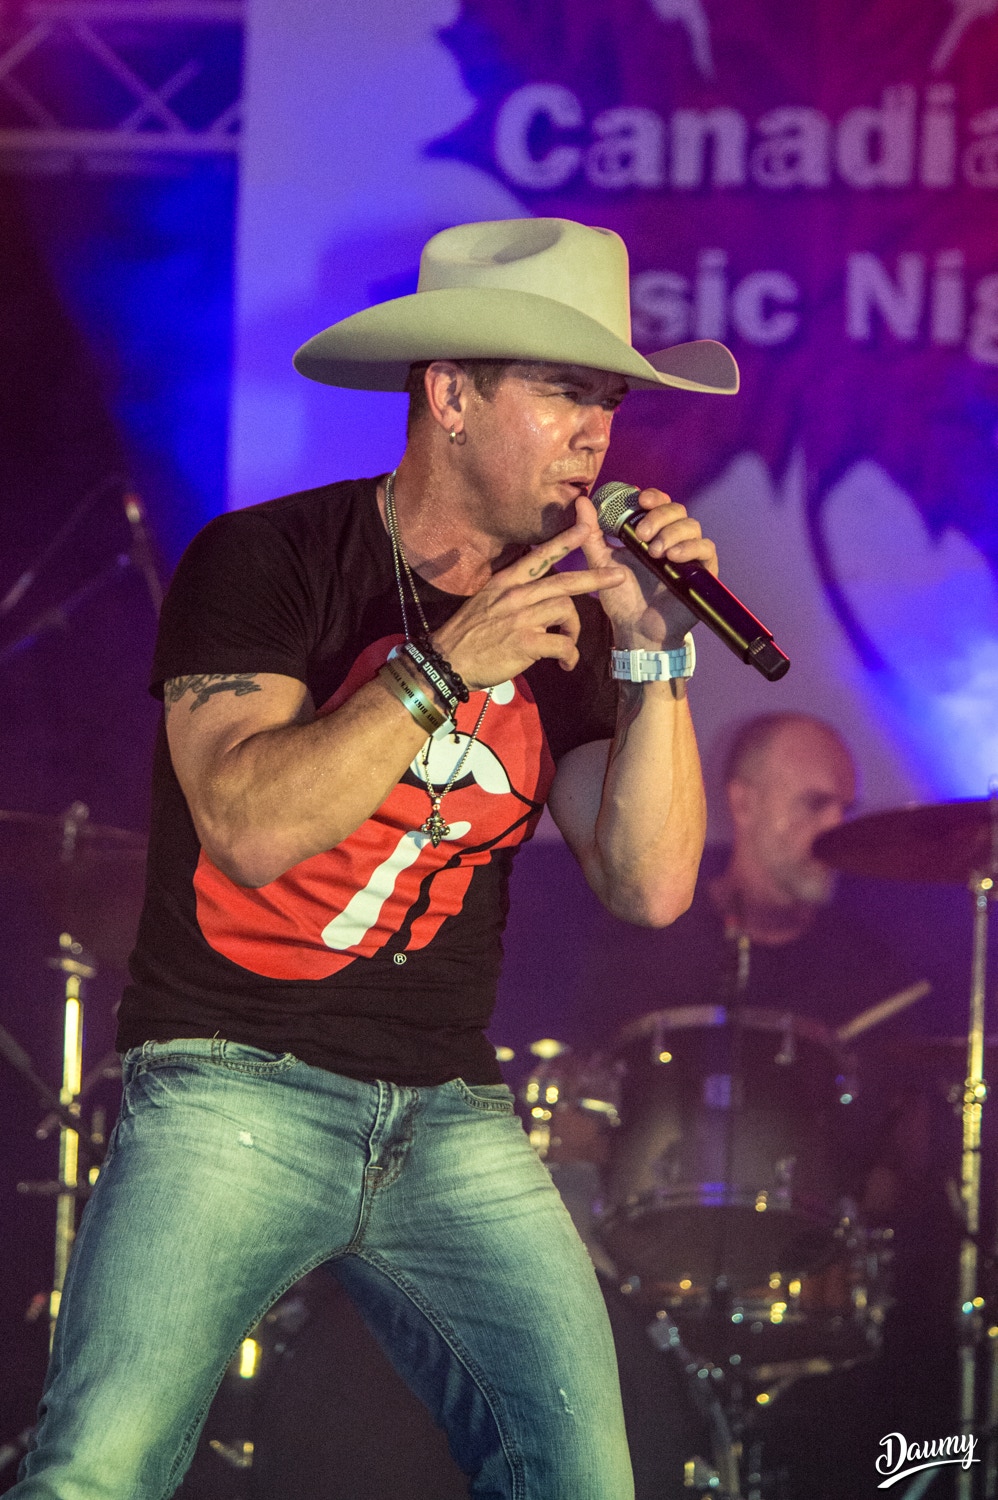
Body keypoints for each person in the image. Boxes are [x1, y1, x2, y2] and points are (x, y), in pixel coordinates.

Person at [9, 217, 740, 1500]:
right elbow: (246, 826)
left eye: (607, 404)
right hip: (231, 1082)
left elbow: (651, 885)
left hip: (446, 1109)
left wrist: (651, 646)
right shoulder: (268, 560)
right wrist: (447, 665)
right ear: (449, 396)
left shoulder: (567, 618)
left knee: (583, 1480)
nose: (594, 436)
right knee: (95, 1474)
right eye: (564, 393)